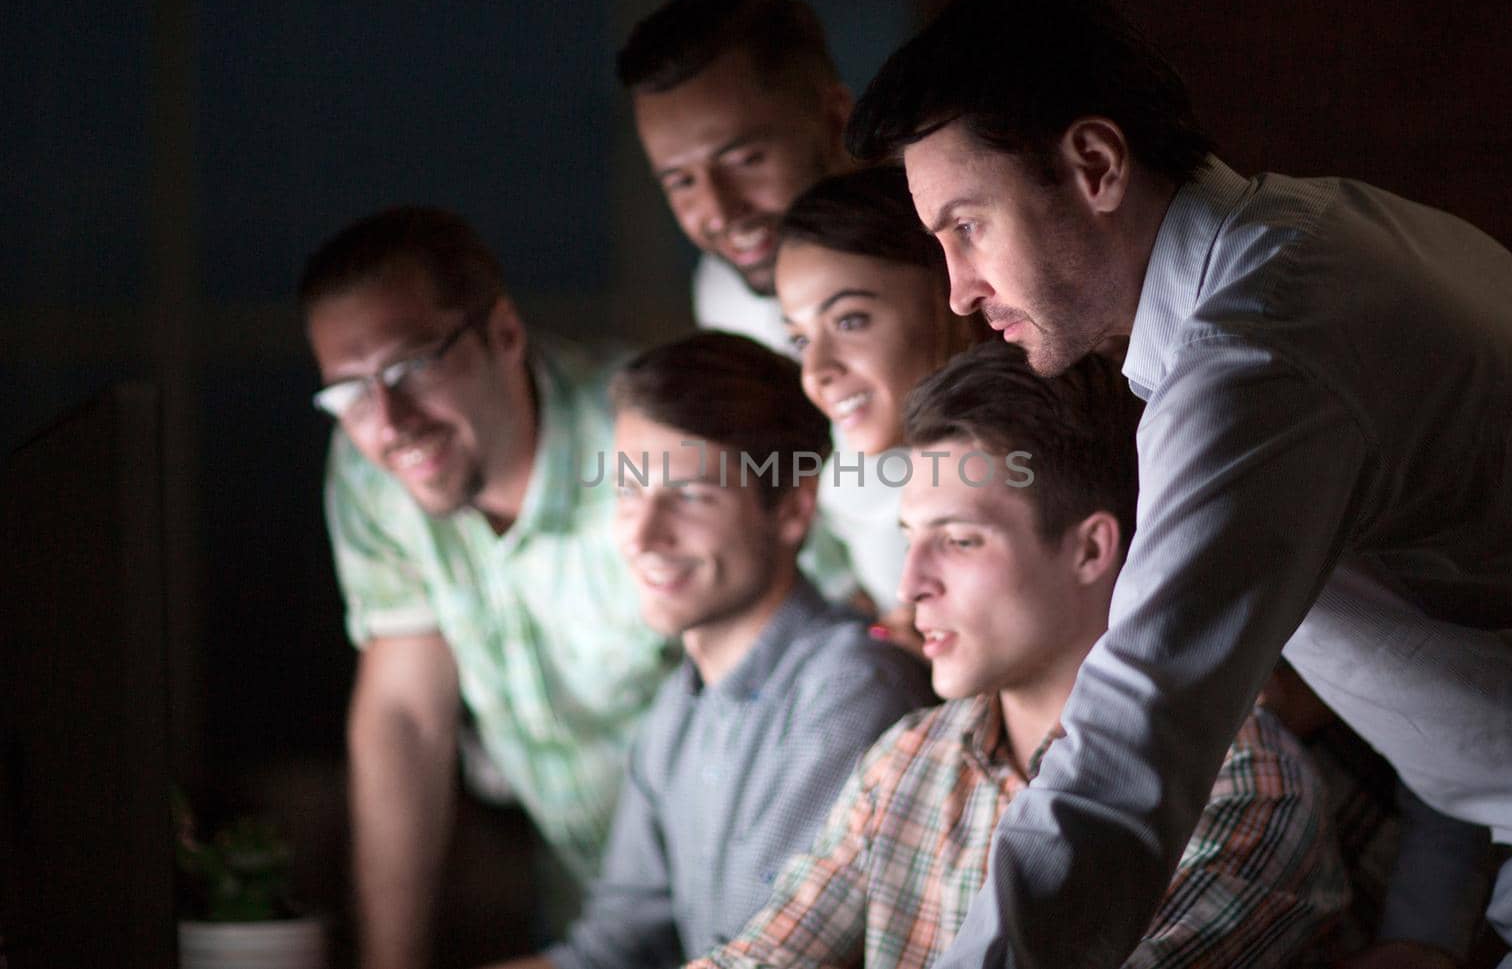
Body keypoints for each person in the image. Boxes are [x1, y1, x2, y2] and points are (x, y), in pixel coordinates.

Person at [846, 0, 1512, 967]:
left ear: (1094, 163)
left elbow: (1130, 750)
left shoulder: (1257, 359)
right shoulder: (1323, 236)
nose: (959, 287)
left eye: (968, 226)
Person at [690, 345, 1348, 969]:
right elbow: (763, 954)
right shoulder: (907, 760)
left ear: (1091, 550)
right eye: (911, 538)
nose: (909, 583)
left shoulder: (1243, 789)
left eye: (960, 539)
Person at [300, 206, 677, 969]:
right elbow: (405, 718)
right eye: (349, 394)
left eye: (410, 368)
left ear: (504, 333)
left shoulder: (651, 441)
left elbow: (822, 650)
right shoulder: (376, 472)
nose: (389, 422)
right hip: (588, 930)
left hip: (757, 924)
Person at [483, 332, 934, 969]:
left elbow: (765, 957)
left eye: (691, 496)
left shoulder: (853, 690)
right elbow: (612, 949)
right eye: (629, 492)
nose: (641, 536)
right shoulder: (679, 707)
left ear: (792, 510)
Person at [774, 164, 985, 618]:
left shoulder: (1029, 472)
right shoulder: (848, 485)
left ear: (950, 287)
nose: (817, 370)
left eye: (850, 321)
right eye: (800, 340)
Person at [619, 0, 852, 352]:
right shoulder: (725, 295)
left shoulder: (958, 259)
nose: (719, 212)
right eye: (681, 182)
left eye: (745, 161)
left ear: (837, 121)